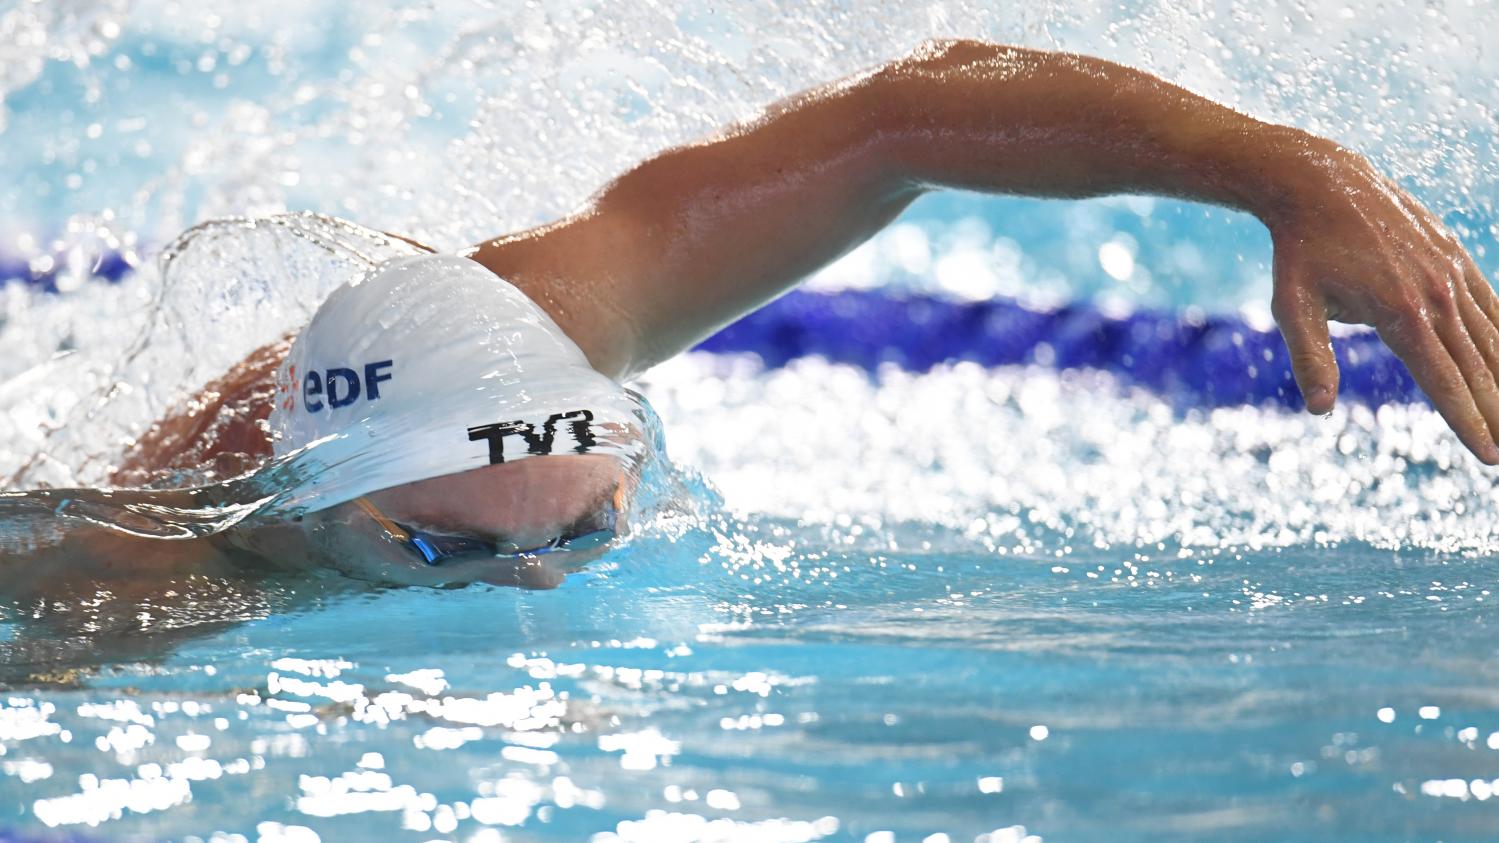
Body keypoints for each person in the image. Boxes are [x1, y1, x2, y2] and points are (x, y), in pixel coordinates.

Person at [8, 39, 1497, 592]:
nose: (531, 588)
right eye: (442, 551)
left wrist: (1285, 171)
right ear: (304, 506)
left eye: (585, 529)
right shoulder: (134, 576)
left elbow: (901, 121)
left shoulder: (544, 322)